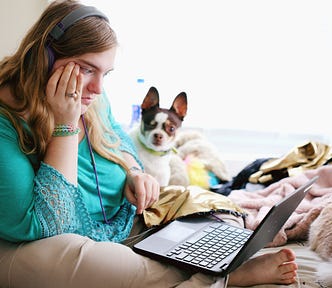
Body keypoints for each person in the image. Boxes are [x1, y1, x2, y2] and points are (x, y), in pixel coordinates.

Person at [0, 1, 298, 287]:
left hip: (125, 219)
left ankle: (216, 261)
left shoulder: (92, 95)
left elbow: (118, 141)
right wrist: (64, 125)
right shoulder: (6, 121)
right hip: (47, 242)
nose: (98, 88)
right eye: (87, 69)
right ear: (45, 56)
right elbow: (49, 223)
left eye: (105, 73)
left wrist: (134, 172)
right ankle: (225, 276)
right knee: (99, 264)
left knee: (202, 202)